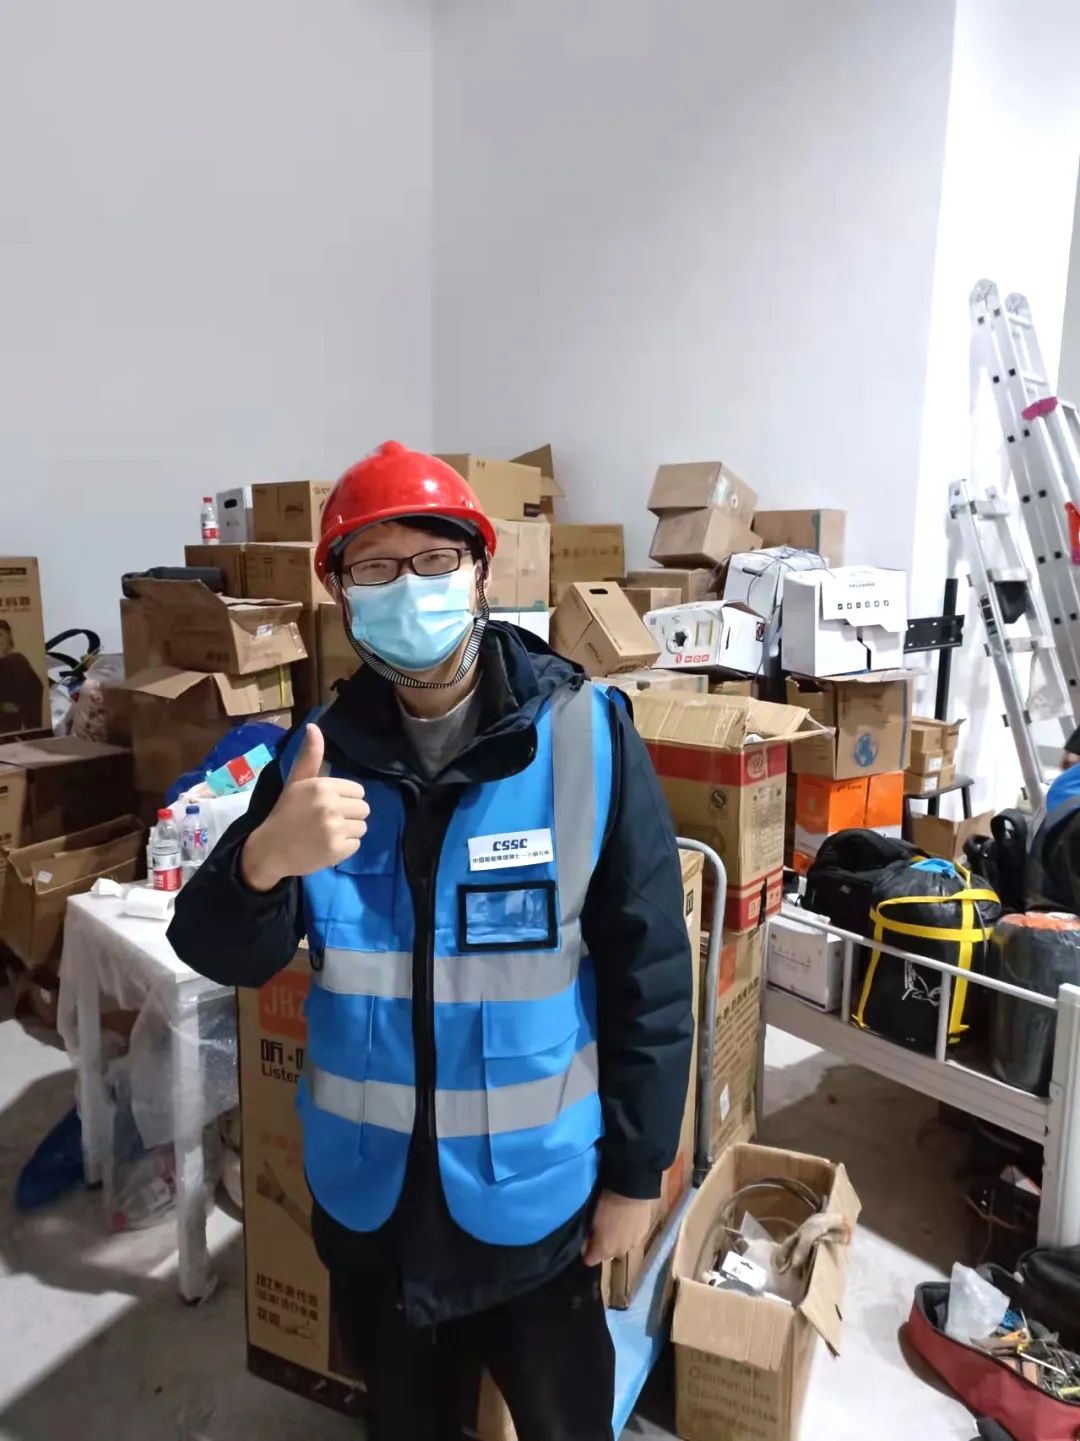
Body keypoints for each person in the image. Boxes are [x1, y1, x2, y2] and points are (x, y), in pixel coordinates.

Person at [169, 441, 693, 1441]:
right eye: (374, 567)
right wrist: (262, 861)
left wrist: (638, 1173)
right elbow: (215, 949)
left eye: (433, 560)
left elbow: (652, 974)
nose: (407, 589)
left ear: (480, 572)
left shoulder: (583, 736)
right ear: (340, 594)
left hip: (533, 1209)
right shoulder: (317, 753)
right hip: (374, 1207)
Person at [0, 618, 45, 734]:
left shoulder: (17, 661)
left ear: (9, 635)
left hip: (11, 729)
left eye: (0, 635)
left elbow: (36, 688)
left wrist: (19, 708)